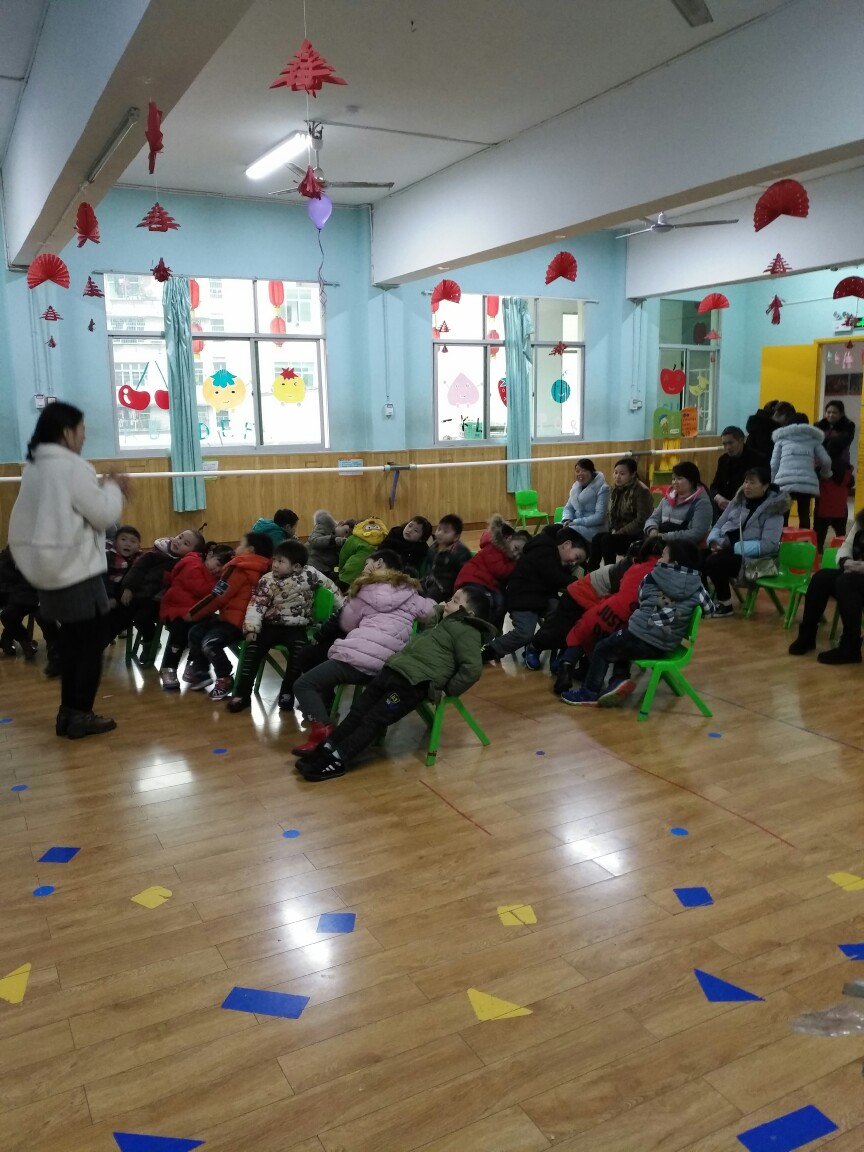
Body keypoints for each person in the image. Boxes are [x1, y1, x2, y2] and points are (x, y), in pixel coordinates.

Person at [7, 402, 129, 738]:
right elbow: (103, 516)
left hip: (48, 570)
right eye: (81, 430)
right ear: (66, 432)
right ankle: (80, 715)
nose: (84, 437)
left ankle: (68, 714)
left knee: (73, 642)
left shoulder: (35, 467)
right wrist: (113, 487)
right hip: (76, 570)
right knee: (90, 644)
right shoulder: (72, 467)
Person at [295, 586, 496, 782]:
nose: (449, 602)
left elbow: (472, 669)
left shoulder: (468, 632)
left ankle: (339, 758)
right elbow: (430, 622)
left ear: (468, 613)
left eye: (455, 601)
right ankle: (329, 746)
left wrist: (449, 690)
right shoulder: (443, 623)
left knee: (373, 719)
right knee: (358, 710)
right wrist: (439, 610)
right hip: (393, 671)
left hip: (412, 684)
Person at [291, 549, 437, 754]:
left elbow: (347, 624)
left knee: (304, 684)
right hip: (390, 667)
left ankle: (322, 729)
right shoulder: (410, 592)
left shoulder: (364, 590)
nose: (364, 568)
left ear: (378, 563)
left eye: (367, 564)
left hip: (356, 660)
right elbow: (432, 613)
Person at [561, 539, 715, 706]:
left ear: (673, 563)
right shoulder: (698, 586)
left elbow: (641, 597)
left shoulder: (654, 575)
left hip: (640, 636)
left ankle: (589, 692)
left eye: (663, 556)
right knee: (619, 644)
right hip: (667, 644)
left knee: (602, 648)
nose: (659, 559)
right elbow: (709, 610)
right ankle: (618, 680)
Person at [226, 539, 342, 713]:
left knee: (298, 656)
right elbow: (257, 605)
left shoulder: (310, 574)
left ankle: (287, 694)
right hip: (270, 626)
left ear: (296, 566)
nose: (275, 565)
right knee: (252, 652)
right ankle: (242, 694)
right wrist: (251, 628)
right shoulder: (267, 580)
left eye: (281, 561)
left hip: (297, 628)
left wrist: (345, 609)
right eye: (274, 560)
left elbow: (332, 589)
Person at [553, 536, 664, 694]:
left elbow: (622, 586)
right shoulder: (663, 573)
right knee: (620, 643)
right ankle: (618, 678)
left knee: (581, 633)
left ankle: (566, 665)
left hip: (604, 608)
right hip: (627, 618)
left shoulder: (633, 566)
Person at [183, 532, 274, 697]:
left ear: (250, 549)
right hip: (251, 624)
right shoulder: (267, 568)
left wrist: (193, 613)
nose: (236, 548)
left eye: (240, 544)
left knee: (209, 642)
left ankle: (224, 677)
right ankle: (201, 673)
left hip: (235, 623)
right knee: (196, 632)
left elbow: (217, 597)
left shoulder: (239, 567)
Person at [482, 526, 588, 662]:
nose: (574, 563)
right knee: (524, 633)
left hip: (542, 598)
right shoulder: (544, 550)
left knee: (559, 615)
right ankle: (491, 650)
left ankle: (536, 646)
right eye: (576, 557)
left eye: (577, 562)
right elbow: (555, 576)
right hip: (522, 598)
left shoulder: (558, 559)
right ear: (566, 544)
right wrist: (578, 582)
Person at [703, 467, 788, 616]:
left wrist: (733, 548)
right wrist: (714, 541)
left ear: (765, 486)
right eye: (745, 482)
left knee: (715, 562)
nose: (747, 486)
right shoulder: (738, 501)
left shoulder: (774, 510)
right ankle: (703, 599)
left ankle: (725, 604)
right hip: (726, 548)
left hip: (755, 560)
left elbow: (769, 545)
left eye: (752, 483)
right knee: (697, 555)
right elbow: (719, 524)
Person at [789, 509, 864, 664]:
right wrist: (846, 561)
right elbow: (846, 546)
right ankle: (807, 635)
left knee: (846, 581)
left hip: (857, 577)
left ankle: (851, 646)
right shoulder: (862, 519)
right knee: (821, 578)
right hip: (855, 573)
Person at [158, 544, 234, 689]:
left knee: (202, 630)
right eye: (218, 564)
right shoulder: (192, 564)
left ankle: (195, 666)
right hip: (176, 609)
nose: (218, 570)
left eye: (222, 569)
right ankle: (169, 667)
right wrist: (221, 586)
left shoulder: (212, 575)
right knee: (180, 632)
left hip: (195, 612)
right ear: (209, 555)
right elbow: (202, 590)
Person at [112, 529, 206, 645]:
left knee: (142, 618)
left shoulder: (187, 565)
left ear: (193, 552)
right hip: (139, 595)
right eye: (180, 537)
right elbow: (137, 570)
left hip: (160, 603)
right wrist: (128, 588)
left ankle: (150, 642)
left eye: (186, 544)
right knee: (123, 614)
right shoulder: (153, 555)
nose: (179, 542)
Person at [454, 514, 528, 623]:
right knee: (487, 602)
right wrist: (516, 563)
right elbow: (500, 571)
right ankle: (480, 625)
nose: (515, 554)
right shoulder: (494, 548)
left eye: (519, 555)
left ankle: (490, 627)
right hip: (473, 579)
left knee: (500, 603)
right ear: (509, 538)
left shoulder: (505, 554)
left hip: (486, 584)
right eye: (516, 548)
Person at [770, 413, 832, 530]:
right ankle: (805, 539)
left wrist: (773, 483)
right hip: (806, 483)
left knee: (783, 514)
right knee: (804, 514)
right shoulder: (813, 440)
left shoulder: (781, 440)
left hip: (784, 483)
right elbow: (826, 461)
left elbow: (773, 465)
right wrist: (825, 474)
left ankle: (783, 538)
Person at [0, 546, 60, 667]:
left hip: (44, 594)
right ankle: (25, 641)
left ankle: (53, 643)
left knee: (43, 615)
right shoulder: (20, 550)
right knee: (8, 615)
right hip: (24, 593)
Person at [590, 457, 654, 567]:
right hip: (618, 533)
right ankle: (592, 571)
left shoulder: (641, 491)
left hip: (636, 534)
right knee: (597, 538)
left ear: (632, 475)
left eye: (622, 474)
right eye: (616, 473)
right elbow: (611, 514)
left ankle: (610, 571)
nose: (617, 476)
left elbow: (641, 520)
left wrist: (620, 532)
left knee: (607, 540)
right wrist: (613, 530)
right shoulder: (615, 489)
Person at [644, 462, 712, 545]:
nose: (675, 482)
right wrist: (652, 531)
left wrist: (665, 537)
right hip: (662, 544)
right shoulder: (667, 499)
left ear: (692, 480)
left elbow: (696, 533)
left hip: (688, 548)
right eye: (673, 479)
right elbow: (653, 519)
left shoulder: (702, 503)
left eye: (679, 478)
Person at [708, 427, 766, 518]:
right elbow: (714, 487)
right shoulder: (723, 460)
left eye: (730, 443)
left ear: (741, 440)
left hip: (748, 507)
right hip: (724, 507)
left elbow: (761, 488)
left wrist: (735, 503)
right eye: (724, 444)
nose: (727, 447)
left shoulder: (758, 459)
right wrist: (719, 499)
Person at [421, 514, 472, 601]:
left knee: (429, 599)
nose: (440, 533)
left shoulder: (460, 552)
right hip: (430, 580)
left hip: (445, 587)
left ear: (456, 537)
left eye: (445, 532)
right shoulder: (433, 547)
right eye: (439, 529)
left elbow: (464, 575)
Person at [561, 459, 609, 545]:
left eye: (584, 470)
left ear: (592, 472)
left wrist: (576, 522)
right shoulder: (575, 487)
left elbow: (600, 517)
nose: (580, 474)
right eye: (577, 471)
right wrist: (567, 519)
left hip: (593, 527)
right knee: (550, 530)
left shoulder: (603, 488)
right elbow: (568, 508)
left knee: (562, 534)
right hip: (575, 523)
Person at [336, 517, 388, 586]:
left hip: (350, 576)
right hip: (374, 580)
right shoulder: (385, 539)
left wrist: (340, 571)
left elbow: (344, 556)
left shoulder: (354, 538)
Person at [815, 462, 852, 552]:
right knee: (841, 536)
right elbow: (851, 483)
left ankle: (819, 553)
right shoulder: (846, 471)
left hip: (823, 509)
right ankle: (842, 552)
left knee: (819, 538)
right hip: (841, 510)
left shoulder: (821, 469)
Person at [307, 510, 355, 577]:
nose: (344, 537)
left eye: (347, 537)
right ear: (341, 524)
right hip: (312, 564)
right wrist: (332, 539)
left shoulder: (341, 543)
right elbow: (314, 541)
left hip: (325, 570)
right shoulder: (324, 527)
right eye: (346, 532)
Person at [104, 525, 141, 606]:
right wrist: (109, 596)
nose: (128, 544)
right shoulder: (108, 557)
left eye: (133, 541)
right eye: (123, 539)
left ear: (138, 547)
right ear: (115, 542)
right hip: (110, 595)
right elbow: (103, 579)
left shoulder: (139, 559)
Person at [816, 400, 855, 474]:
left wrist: (825, 441)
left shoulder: (848, 426)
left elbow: (843, 441)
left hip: (840, 464)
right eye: (828, 412)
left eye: (834, 412)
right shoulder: (819, 426)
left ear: (841, 414)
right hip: (820, 464)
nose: (831, 415)